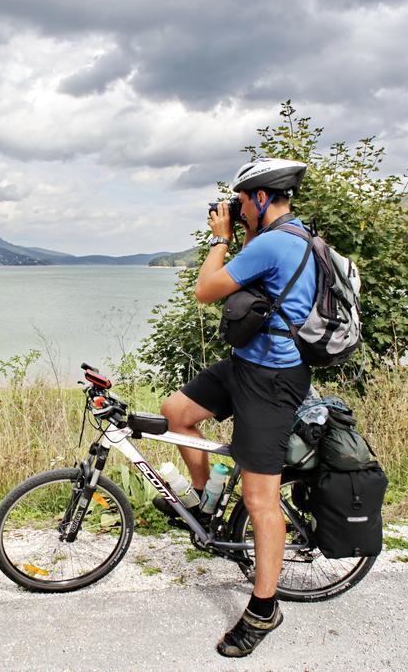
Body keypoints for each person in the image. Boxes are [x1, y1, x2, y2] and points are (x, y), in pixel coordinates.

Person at [156, 157, 316, 658]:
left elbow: (206, 290)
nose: (237, 208)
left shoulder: (273, 242)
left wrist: (219, 238)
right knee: (176, 412)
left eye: (243, 200)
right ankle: (204, 497)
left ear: (262, 198)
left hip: (271, 381)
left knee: (260, 499)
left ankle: (264, 610)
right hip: (245, 364)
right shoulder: (295, 237)